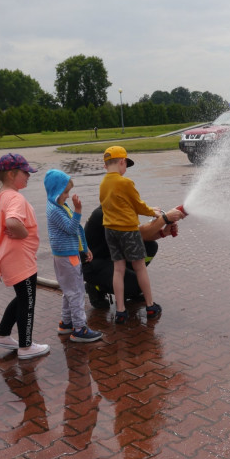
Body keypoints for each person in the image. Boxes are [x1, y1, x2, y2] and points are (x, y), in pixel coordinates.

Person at [0, 153, 49, 360]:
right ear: (12, 174)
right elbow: (12, 222)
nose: (29, 176)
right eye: (26, 173)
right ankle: (26, 346)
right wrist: (23, 233)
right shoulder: (15, 198)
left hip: (8, 257)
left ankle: (3, 334)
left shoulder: (0, 197)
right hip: (19, 258)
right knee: (28, 300)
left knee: (23, 297)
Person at [99, 145, 164, 324]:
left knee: (118, 270)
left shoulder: (104, 183)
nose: (125, 169)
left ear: (105, 165)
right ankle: (150, 306)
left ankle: (120, 311)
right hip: (128, 230)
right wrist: (153, 212)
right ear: (122, 162)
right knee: (140, 267)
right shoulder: (125, 182)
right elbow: (138, 205)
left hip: (110, 230)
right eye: (126, 164)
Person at [82, 204, 183, 308]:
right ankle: (95, 287)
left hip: (110, 256)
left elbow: (137, 237)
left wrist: (163, 233)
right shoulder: (103, 215)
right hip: (93, 264)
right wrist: (165, 219)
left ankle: (128, 284)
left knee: (150, 247)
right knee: (138, 284)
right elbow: (135, 235)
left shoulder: (117, 209)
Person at [44, 169, 102, 343]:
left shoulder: (59, 206)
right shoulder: (55, 210)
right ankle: (79, 328)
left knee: (69, 291)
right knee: (76, 292)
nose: (68, 196)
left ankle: (66, 322)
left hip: (68, 254)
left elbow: (76, 231)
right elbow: (71, 227)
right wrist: (78, 210)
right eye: (65, 192)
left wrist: (85, 248)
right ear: (55, 190)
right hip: (67, 257)